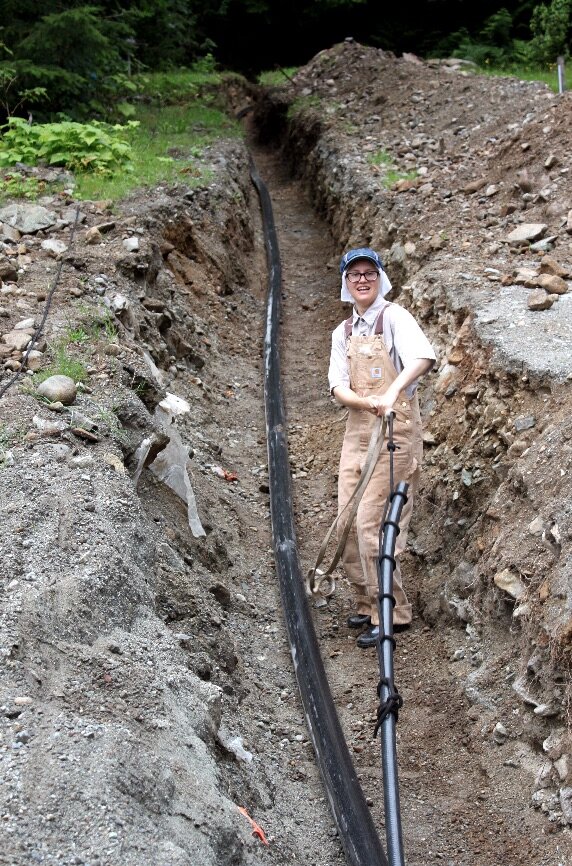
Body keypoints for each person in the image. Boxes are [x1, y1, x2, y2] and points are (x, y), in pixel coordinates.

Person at [328, 248, 436, 649]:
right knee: (346, 521)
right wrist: (365, 402)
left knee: (372, 525)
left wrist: (390, 392)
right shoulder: (343, 332)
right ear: (345, 282)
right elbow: (338, 385)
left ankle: (393, 612)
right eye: (353, 273)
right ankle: (366, 600)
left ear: (380, 278)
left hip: (395, 432)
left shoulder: (395, 317)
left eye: (368, 272)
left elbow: (423, 356)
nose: (361, 279)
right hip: (359, 429)